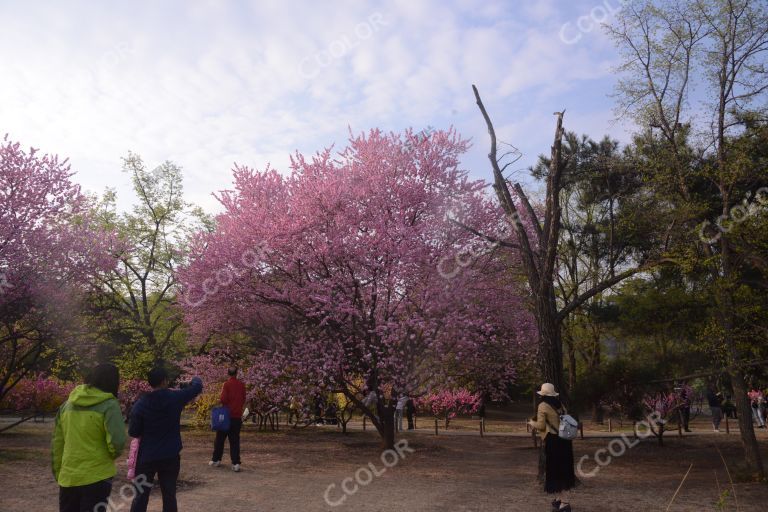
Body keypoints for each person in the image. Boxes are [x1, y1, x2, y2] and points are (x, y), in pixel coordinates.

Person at [53, 363, 126, 512]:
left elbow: (57, 443)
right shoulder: (110, 405)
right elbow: (117, 442)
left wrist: (59, 471)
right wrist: (110, 455)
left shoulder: (66, 406)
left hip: (69, 476)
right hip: (97, 476)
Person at [129, 367, 203, 512]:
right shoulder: (176, 397)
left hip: (147, 456)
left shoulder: (141, 404)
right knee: (169, 495)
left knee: (140, 496)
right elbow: (198, 386)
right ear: (165, 381)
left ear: (150, 383)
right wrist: (193, 379)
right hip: (170, 455)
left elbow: (134, 431)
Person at [528, 383, 576, 509]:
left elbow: (541, 425)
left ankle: (565, 503)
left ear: (542, 394)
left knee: (557, 471)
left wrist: (531, 422)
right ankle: (560, 499)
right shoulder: (560, 404)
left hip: (554, 442)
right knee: (564, 470)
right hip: (565, 441)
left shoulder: (542, 406)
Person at [209, 367, 246, 471]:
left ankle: (216, 460)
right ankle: (236, 463)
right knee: (234, 441)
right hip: (237, 417)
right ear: (237, 373)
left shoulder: (226, 384)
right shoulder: (241, 385)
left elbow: (223, 399)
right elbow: (243, 399)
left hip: (226, 417)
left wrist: (218, 401)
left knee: (220, 439)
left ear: (228, 373)